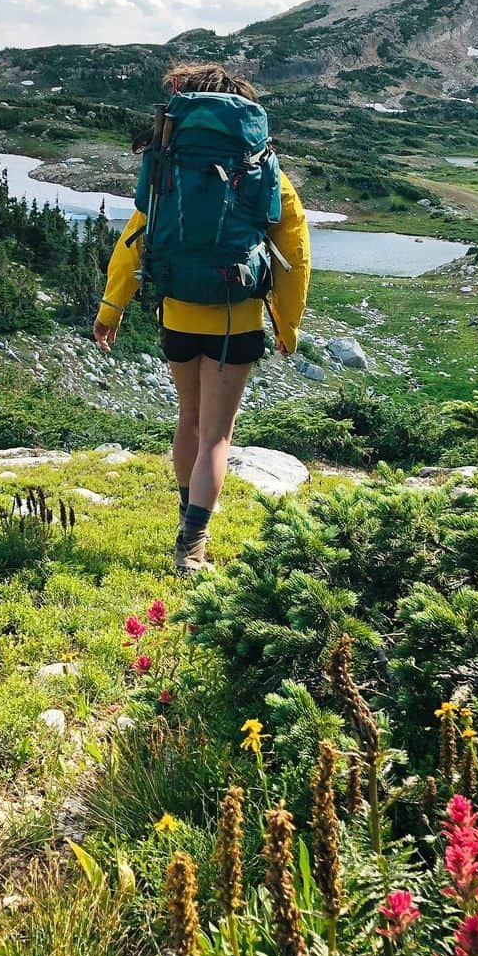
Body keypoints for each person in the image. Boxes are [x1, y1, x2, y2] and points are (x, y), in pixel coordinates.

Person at [93, 62, 311, 573]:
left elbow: (133, 241)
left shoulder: (169, 167)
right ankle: (192, 545)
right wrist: (287, 322)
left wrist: (112, 308)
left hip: (178, 312)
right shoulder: (263, 169)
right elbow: (295, 254)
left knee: (188, 420)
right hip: (236, 317)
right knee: (218, 435)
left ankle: (186, 515)